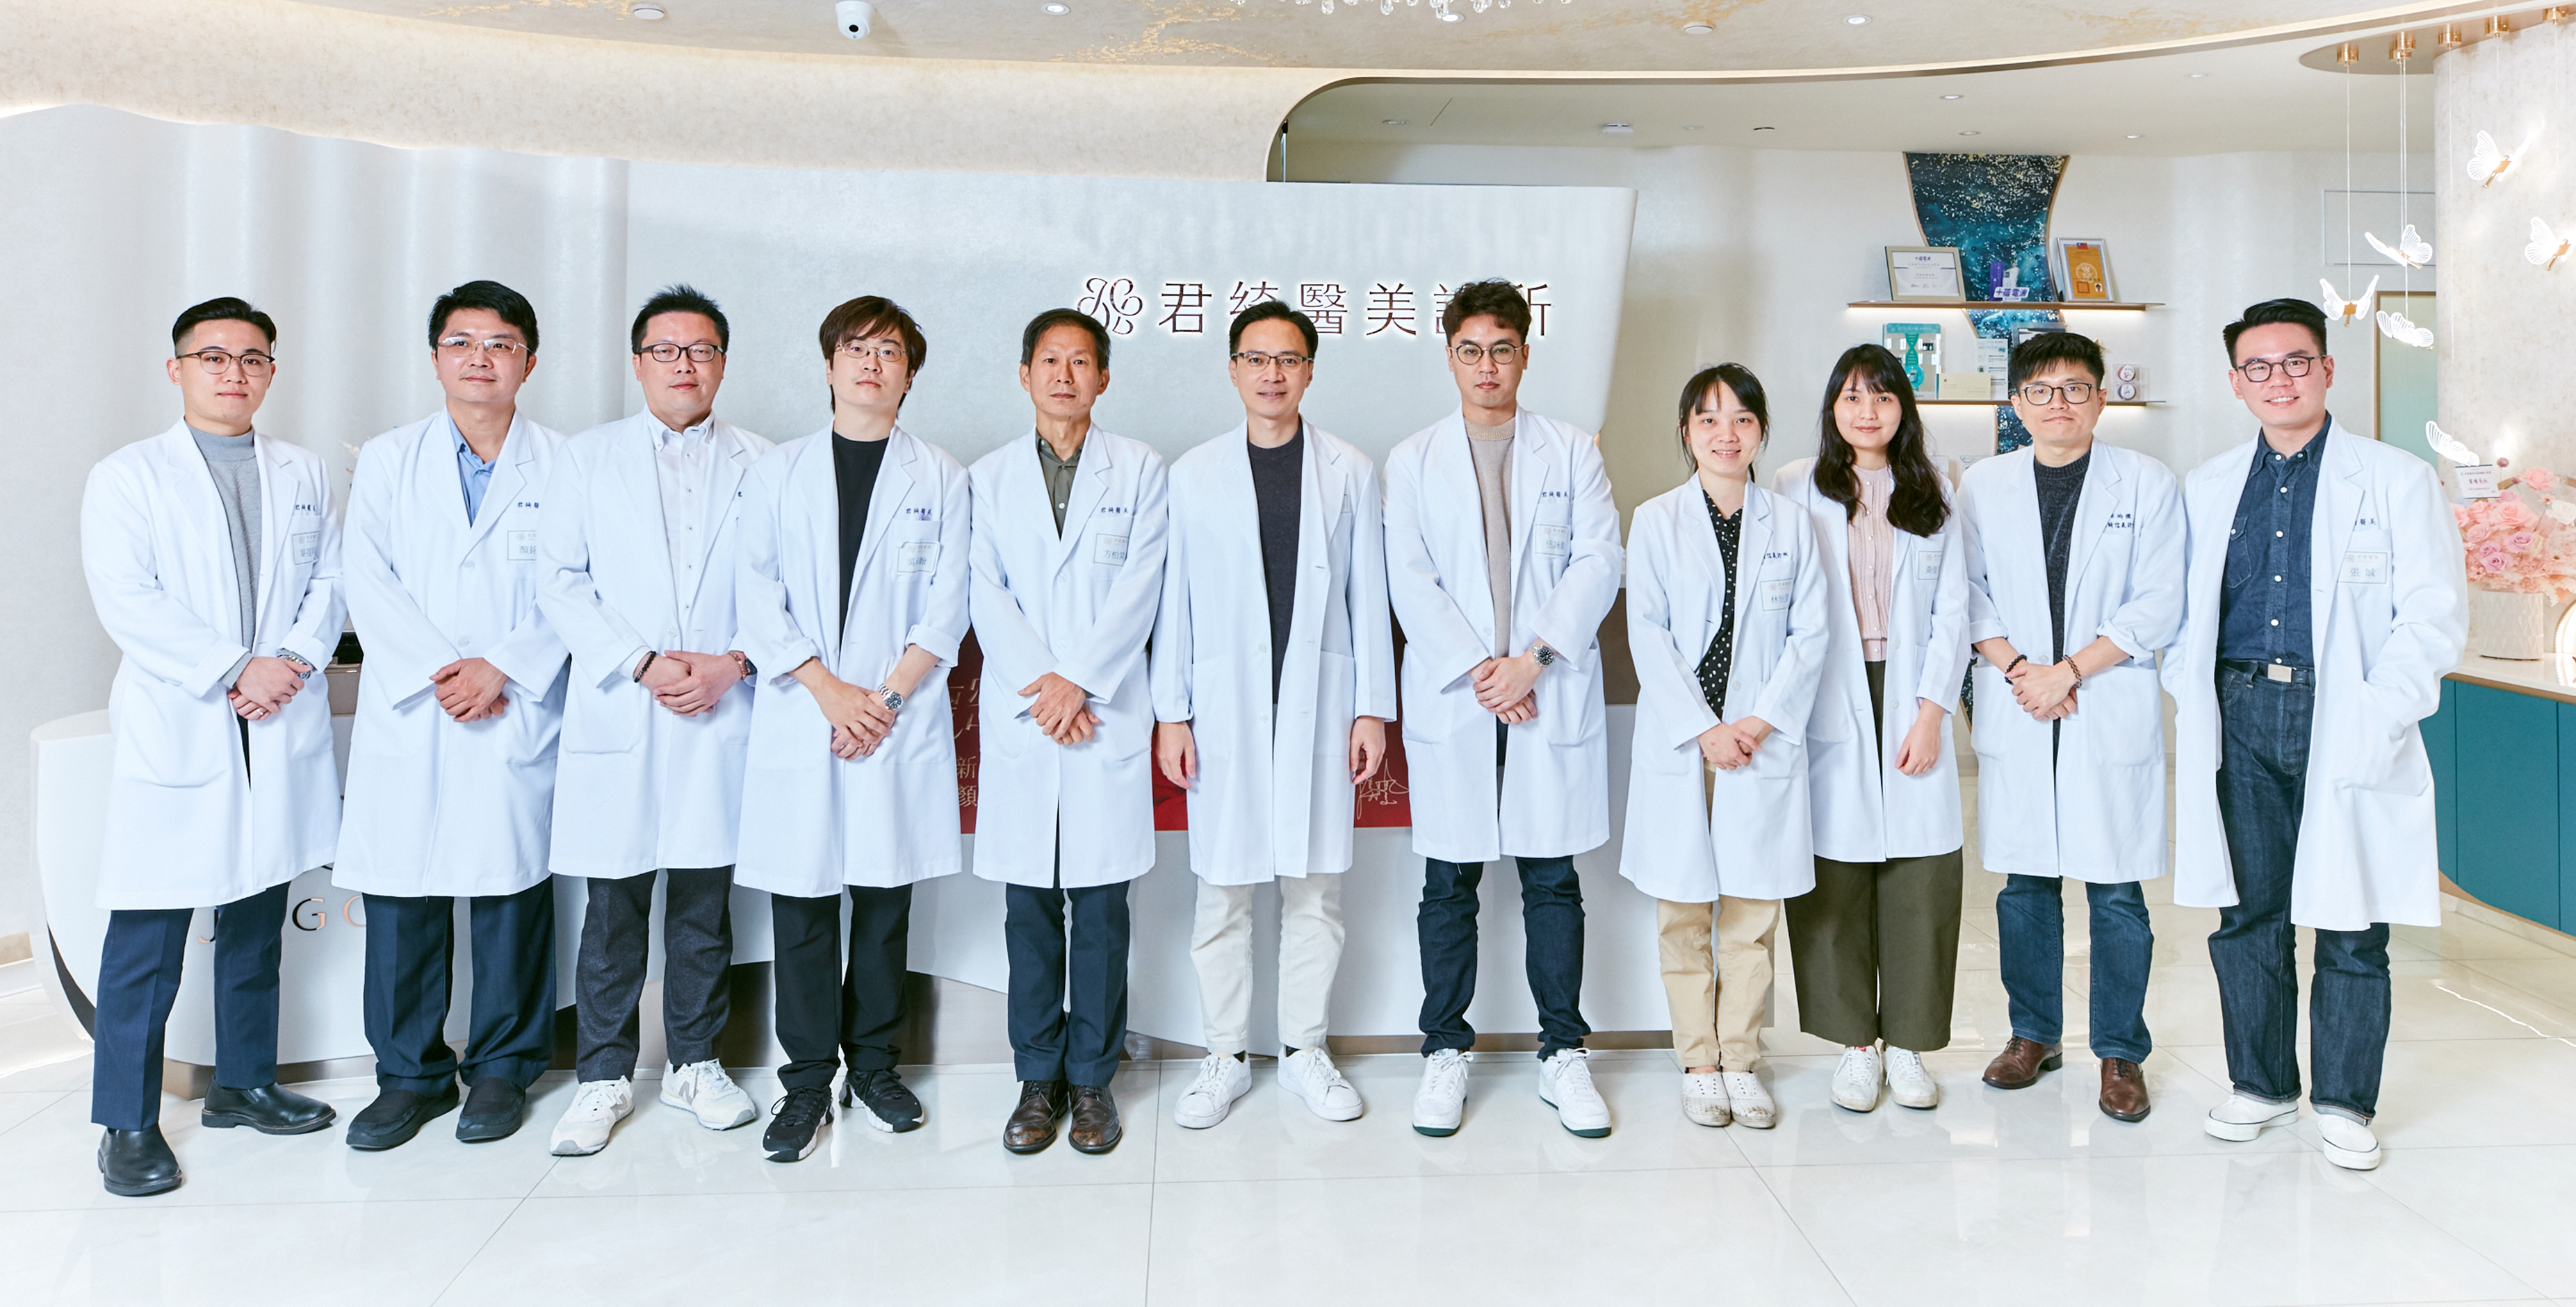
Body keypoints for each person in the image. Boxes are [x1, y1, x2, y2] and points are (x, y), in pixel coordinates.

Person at [2167, 297, 2463, 1170]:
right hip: (2238, 712)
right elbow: (2183, 613)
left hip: (2343, 713)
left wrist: (2379, 709)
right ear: (2236, 383)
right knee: (2247, 912)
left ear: (2327, 370)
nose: (2279, 379)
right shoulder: (2209, 485)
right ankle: (2260, 1085)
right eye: (2258, 367)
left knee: (2351, 915)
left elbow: (2433, 615)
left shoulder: (2396, 478)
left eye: (2295, 361)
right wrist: (2189, 690)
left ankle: (2343, 1099)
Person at [79, 297, 343, 1197]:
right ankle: (125, 1121)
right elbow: (127, 597)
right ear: (177, 370)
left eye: (253, 358)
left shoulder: (303, 470)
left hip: (275, 719)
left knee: (256, 922)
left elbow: (329, 579)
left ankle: (244, 1084)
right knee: (148, 937)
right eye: (214, 357)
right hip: (185, 717)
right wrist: (234, 667)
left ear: (270, 372)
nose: (235, 372)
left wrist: (291, 663)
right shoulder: (128, 476)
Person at [732, 296, 971, 1163]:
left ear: (910, 376)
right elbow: (755, 593)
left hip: (892, 719)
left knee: (881, 901)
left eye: (890, 352)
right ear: (829, 366)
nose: (872, 363)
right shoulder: (777, 472)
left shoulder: (940, 476)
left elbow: (948, 605)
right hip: (807, 711)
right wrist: (828, 691)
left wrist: (885, 702)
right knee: (800, 905)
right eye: (857, 348)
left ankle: (874, 1068)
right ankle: (804, 1083)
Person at [1382, 279, 1622, 1139]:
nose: (1487, 365)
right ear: (1449, 356)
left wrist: (1532, 663)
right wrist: (1483, 670)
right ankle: (1444, 1050)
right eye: (1470, 350)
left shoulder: (1572, 452)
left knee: (1551, 879)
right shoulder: (1412, 460)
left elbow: (1598, 562)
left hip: (1541, 685)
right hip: (1460, 694)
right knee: (1448, 883)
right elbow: (1410, 579)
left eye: (1502, 349)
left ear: (1524, 354)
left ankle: (1563, 1052)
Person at [537, 286, 772, 1158]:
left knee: (704, 904)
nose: (684, 365)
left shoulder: (765, 462)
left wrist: (732, 662)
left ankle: (695, 1064)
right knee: (614, 904)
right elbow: (560, 579)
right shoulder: (587, 458)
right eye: (666, 351)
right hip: (624, 701)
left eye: (701, 350)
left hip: (720, 704)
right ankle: (602, 1075)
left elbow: (785, 587)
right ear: (637, 363)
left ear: (722, 364)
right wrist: (637, 661)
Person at [1152, 301, 1396, 1130]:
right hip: (1223, 707)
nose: (1271, 374)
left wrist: (1371, 709)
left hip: (1321, 703)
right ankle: (1223, 1055)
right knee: (1222, 890)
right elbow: (1176, 602)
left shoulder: (1349, 470)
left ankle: (1303, 1051)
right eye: (1256, 359)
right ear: (1232, 370)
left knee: (1314, 891)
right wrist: (1172, 712)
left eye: (1287, 360)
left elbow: (1368, 594)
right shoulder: (1192, 474)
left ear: (1310, 371)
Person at [337, 280, 569, 1150]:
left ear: (529, 362)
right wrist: (446, 672)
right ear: (436, 357)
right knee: (404, 895)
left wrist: (503, 666)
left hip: (512, 703)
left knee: (511, 892)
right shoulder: (389, 459)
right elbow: (367, 577)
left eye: (500, 343)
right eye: (462, 342)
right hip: (418, 706)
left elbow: (577, 582)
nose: (481, 358)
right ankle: (409, 1075)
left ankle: (505, 1067)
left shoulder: (565, 464)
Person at [1959, 331, 2185, 1122]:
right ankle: (2033, 1034)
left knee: (2116, 889)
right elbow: (1966, 593)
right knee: (2025, 885)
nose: (2059, 403)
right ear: (2016, 403)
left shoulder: (2146, 482)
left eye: (2076, 388)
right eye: (2041, 390)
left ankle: (2120, 1051)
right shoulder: (1982, 484)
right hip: (2021, 697)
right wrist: (2025, 670)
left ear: (2101, 397)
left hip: (2101, 696)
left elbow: (2160, 599)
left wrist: (2070, 671)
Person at [968, 309, 1168, 1156]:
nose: (1063, 375)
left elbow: (1142, 586)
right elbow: (983, 592)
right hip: (1031, 715)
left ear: (1103, 378)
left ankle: (1091, 1079)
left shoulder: (1142, 470)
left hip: (1100, 709)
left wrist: (1078, 680)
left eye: (1080, 362)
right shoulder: (986, 477)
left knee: (1100, 911)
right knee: (1027, 911)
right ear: (1025, 375)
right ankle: (1035, 1078)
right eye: (1049, 361)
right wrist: (1045, 685)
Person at [1619, 364, 1825, 1131]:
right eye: (1707, 419)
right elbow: (1648, 632)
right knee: (1682, 912)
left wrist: (1759, 722)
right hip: (1686, 742)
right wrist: (1705, 727)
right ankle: (1697, 1062)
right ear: (1686, 432)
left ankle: (1739, 1058)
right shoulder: (1656, 520)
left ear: (1761, 432)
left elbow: (1810, 635)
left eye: (1741, 419)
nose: (1725, 433)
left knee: (1750, 913)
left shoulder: (1791, 524)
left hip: (1758, 743)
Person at [1772, 343, 1971, 1115]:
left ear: (1902, 409)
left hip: (1911, 687)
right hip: (1827, 688)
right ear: (1832, 409)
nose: (1867, 412)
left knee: (1921, 873)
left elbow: (1953, 609)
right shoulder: (1796, 485)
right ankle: (1856, 1045)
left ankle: (1910, 1043)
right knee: (1835, 870)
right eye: (1852, 397)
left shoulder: (1936, 488)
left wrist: (1932, 711)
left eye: (1883, 397)